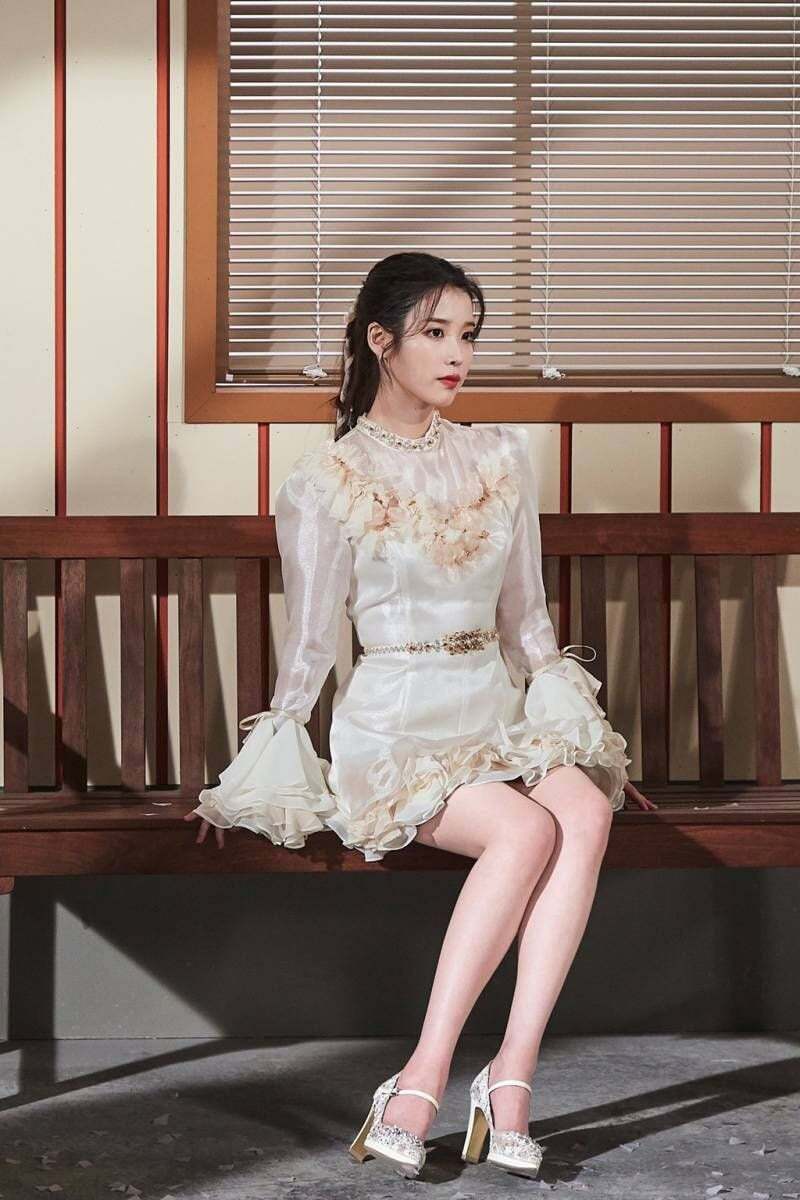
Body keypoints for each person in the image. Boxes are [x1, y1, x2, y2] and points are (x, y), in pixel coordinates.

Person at [185, 251, 654, 1180]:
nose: (456, 355)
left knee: (585, 808)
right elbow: (311, 642)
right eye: (435, 333)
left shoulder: (498, 458)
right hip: (397, 730)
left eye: (468, 335)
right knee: (525, 831)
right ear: (380, 340)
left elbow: (528, 619)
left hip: (498, 713)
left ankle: (511, 1078)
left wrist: (576, 732)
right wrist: (264, 763)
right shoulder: (326, 480)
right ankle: (422, 1077)